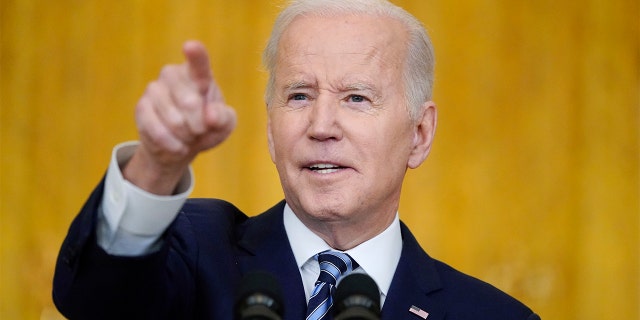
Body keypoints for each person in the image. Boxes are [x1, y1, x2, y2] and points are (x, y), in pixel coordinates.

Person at [53, 0, 540, 319]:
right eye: (300, 95)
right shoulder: (195, 250)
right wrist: (157, 165)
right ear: (270, 127)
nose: (322, 125)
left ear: (419, 133)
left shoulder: (490, 315)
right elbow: (97, 300)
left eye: (356, 98)